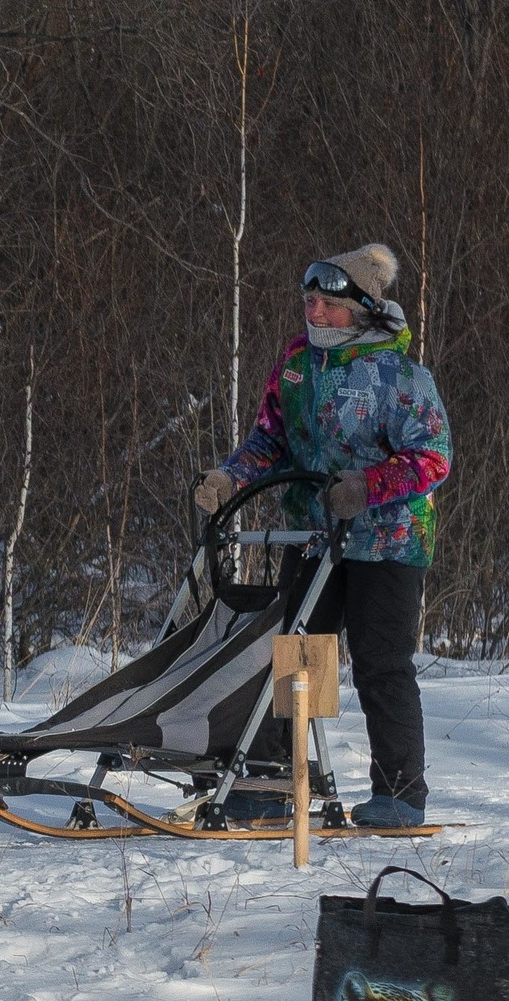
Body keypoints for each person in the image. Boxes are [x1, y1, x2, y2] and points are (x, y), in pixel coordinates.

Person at [196, 243, 453, 829]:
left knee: (380, 662)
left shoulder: (401, 376)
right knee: (298, 658)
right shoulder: (296, 365)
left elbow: (433, 457)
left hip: (390, 540)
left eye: (326, 304)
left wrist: (367, 486)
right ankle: (276, 782)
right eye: (307, 301)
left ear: (359, 308)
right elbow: (269, 441)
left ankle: (400, 794)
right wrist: (229, 479)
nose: (313, 312)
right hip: (313, 535)